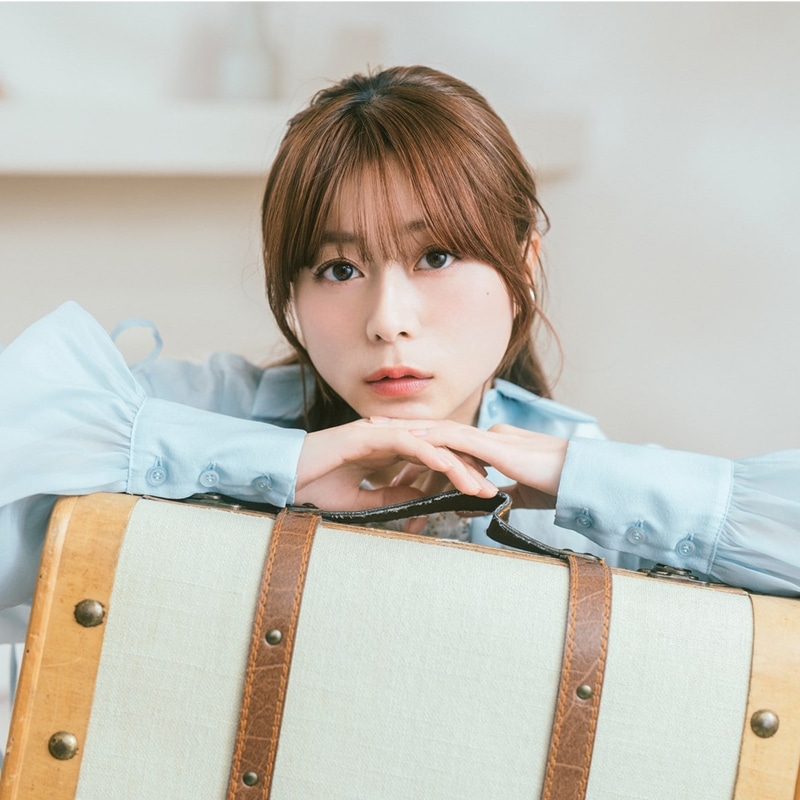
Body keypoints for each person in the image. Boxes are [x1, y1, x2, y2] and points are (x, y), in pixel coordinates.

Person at [1, 66, 799, 653]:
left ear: (523, 266)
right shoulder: (202, 413)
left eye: (437, 256)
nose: (387, 321)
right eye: (338, 269)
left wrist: (578, 476)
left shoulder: (594, 495)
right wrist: (277, 467)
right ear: (292, 289)